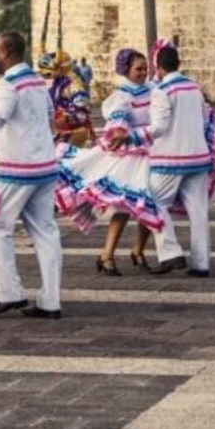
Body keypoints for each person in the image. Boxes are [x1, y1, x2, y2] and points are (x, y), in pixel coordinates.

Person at [0, 31, 65, 318]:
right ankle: (51, 300)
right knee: (46, 231)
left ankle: (10, 293)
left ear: (6, 52)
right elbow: (49, 114)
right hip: (46, 165)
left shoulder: (8, 85)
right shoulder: (36, 80)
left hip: (18, 169)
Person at [115, 40, 213, 276]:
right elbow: (206, 119)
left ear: (159, 67)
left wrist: (131, 137)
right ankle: (201, 264)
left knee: (152, 202)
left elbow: (158, 127)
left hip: (170, 158)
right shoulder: (193, 86)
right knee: (198, 212)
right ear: (178, 63)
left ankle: (170, 253)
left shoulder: (162, 91)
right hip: (198, 156)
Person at [54, 47, 154, 276]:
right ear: (126, 70)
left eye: (145, 68)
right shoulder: (122, 96)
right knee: (123, 205)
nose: (143, 72)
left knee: (149, 204)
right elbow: (118, 118)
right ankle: (107, 254)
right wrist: (120, 131)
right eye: (138, 69)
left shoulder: (153, 89)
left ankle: (138, 250)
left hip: (151, 150)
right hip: (130, 154)